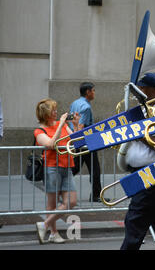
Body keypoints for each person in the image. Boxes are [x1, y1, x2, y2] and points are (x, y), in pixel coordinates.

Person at [120, 72, 155, 250]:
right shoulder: (143, 109)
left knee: (135, 220)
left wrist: (136, 130)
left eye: (143, 88)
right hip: (144, 170)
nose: (138, 92)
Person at [34, 98, 80, 244]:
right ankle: (53, 233)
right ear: (46, 114)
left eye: (55, 109)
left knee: (71, 201)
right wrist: (60, 124)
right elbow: (50, 144)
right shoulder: (39, 130)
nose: (56, 112)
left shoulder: (64, 125)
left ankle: (45, 225)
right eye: (53, 110)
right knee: (52, 203)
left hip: (67, 166)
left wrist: (76, 125)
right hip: (51, 167)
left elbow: (76, 140)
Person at [69, 82, 103, 202]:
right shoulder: (86, 107)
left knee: (76, 167)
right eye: (93, 90)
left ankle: (58, 187)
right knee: (95, 170)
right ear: (88, 92)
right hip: (85, 143)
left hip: (77, 141)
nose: (94, 93)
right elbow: (81, 126)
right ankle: (95, 195)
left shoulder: (75, 103)